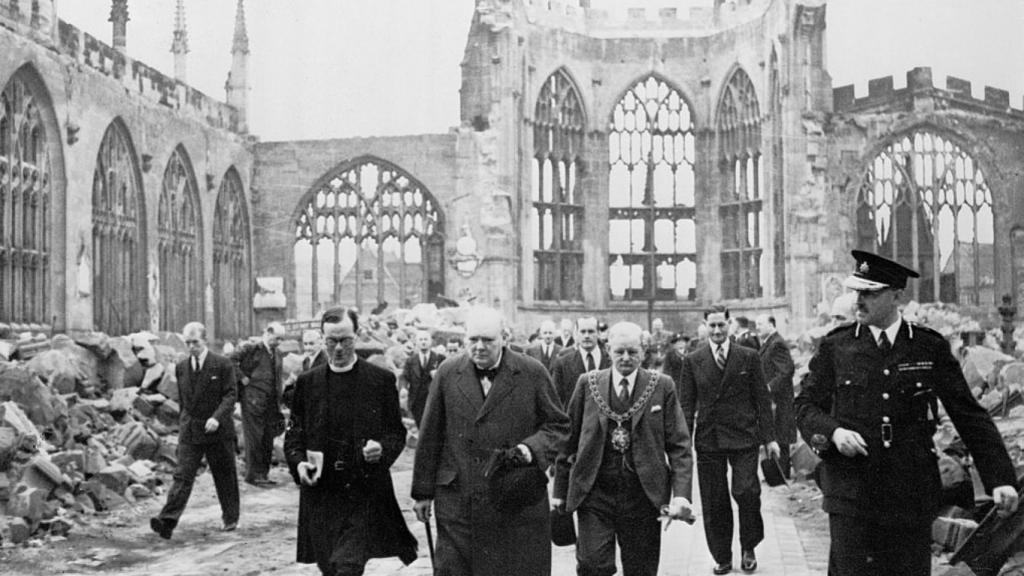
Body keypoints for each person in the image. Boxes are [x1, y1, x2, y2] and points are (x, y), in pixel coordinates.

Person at [794, 250, 1020, 576]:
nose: (859, 300)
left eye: (870, 293)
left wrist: (1000, 479)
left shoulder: (927, 347)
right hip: (851, 492)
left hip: (909, 493)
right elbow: (804, 406)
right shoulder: (835, 347)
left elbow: (968, 414)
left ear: (897, 296)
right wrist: (834, 433)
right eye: (857, 291)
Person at [411, 306, 569, 576]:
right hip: (459, 500)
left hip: (514, 498)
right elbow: (430, 435)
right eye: (473, 340)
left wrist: (529, 449)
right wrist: (422, 493)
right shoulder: (448, 373)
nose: (480, 347)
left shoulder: (531, 372)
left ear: (504, 338)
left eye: (488, 340)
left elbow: (559, 426)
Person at [553, 321, 694, 576]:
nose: (626, 358)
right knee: (592, 564)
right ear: (608, 350)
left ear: (643, 350)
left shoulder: (662, 386)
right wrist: (560, 493)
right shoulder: (588, 383)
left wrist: (682, 495)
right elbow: (568, 440)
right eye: (619, 352)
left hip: (643, 495)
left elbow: (680, 445)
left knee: (641, 569)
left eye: (632, 351)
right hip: (595, 491)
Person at [284, 307, 417, 576]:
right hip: (321, 494)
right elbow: (294, 435)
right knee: (329, 567)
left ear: (356, 337)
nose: (339, 348)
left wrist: (381, 450)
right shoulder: (307, 383)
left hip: (362, 491)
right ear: (323, 339)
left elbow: (395, 433)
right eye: (331, 341)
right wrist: (299, 465)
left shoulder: (379, 380)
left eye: (345, 340)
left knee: (348, 566)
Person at [678, 305, 779, 575]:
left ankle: (749, 546)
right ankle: (722, 556)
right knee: (714, 500)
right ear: (704, 326)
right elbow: (686, 405)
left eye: (721, 325)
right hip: (709, 439)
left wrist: (770, 439)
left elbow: (762, 399)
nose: (717, 331)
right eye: (711, 326)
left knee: (746, 492)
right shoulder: (693, 360)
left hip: (744, 436)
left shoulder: (748, 357)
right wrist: (682, 442)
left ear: (729, 324)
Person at [150, 322, 239, 539]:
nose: (191, 347)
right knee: (182, 475)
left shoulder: (222, 364)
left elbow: (231, 395)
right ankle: (166, 522)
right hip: (191, 430)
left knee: (224, 475)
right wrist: (183, 424)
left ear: (205, 341)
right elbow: (184, 401)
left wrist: (217, 418)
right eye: (188, 343)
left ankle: (230, 517)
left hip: (217, 431)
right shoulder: (181, 367)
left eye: (195, 342)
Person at [231, 322, 287, 486]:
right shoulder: (251, 348)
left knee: (267, 438)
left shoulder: (277, 353)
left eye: (281, 340)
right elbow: (231, 360)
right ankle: (252, 475)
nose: (278, 342)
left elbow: (277, 378)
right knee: (254, 437)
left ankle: (263, 474)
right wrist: (242, 378)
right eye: (276, 338)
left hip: (270, 402)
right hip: (252, 400)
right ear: (268, 333)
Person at [755, 315, 796, 479]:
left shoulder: (777, 343)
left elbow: (786, 371)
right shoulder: (769, 343)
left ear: (771, 325)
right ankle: (775, 473)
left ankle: (781, 474)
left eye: (760, 324)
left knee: (781, 435)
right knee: (774, 433)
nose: (757, 327)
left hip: (779, 400)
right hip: (772, 400)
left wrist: (768, 388)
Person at [549, 317, 610, 408]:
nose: (586, 336)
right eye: (582, 332)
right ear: (576, 334)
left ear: (598, 333)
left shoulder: (611, 361)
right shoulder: (563, 363)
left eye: (591, 331)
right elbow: (556, 399)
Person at [400, 328, 445, 427]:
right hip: (416, 400)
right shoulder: (411, 361)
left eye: (425, 339)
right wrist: (403, 388)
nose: (423, 342)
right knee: (420, 425)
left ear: (431, 342)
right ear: (416, 342)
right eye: (421, 340)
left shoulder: (439, 358)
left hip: (433, 399)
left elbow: (446, 377)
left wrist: (437, 376)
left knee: (433, 426)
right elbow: (404, 376)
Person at [284, 329, 329, 409]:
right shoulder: (306, 360)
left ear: (320, 343)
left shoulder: (325, 361)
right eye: (305, 344)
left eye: (311, 344)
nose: (308, 347)